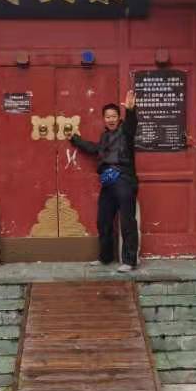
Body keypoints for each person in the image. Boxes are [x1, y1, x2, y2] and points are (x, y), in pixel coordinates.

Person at [68, 89, 138, 272]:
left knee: (127, 221)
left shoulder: (125, 132)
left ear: (119, 117)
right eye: (107, 117)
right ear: (104, 119)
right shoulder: (105, 136)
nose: (111, 119)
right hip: (108, 182)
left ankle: (129, 261)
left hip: (123, 179)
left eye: (114, 116)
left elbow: (131, 125)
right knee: (103, 220)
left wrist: (131, 110)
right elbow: (95, 149)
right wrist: (75, 139)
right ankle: (105, 257)